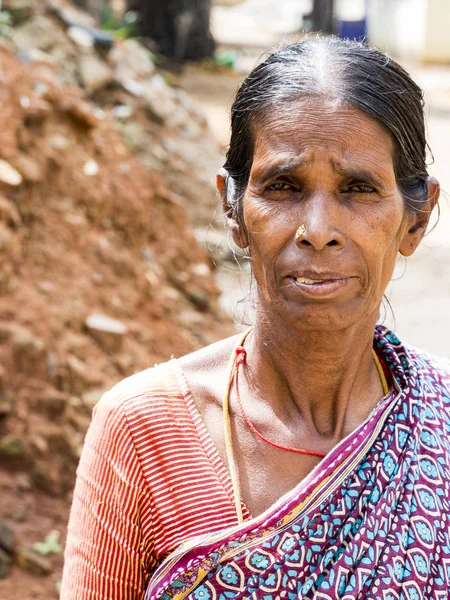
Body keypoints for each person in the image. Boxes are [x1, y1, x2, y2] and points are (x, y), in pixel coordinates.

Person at [61, 37, 450, 599]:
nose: (317, 229)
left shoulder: (438, 424)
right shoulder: (144, 430)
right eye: (284, 187)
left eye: (358, 189)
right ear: (233, 210)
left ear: (415, 220)